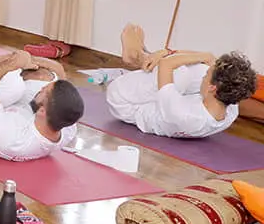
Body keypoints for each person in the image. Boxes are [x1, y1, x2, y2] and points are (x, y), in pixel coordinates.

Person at [0, 20, 83, 161]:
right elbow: (59, 71)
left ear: (42, 111)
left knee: (12, 83)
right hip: (18, 110)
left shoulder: (13, 139)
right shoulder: (66, 124)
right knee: (47, 75)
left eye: (44, 92)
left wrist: (14, 63)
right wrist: (26, 60)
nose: (42, 88)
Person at [106, 23, 256, 139]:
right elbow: (211, 62)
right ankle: (149, 57)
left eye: (207, 76)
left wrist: (167, 53)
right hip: (170, 102)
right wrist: (207, 58)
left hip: (125, 102)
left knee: (181, 73)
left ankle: (138, 57)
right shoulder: (230, 108)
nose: (205, 75)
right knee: (198, 69)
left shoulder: (184, 114)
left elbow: (167, 65)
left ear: (212, 88)